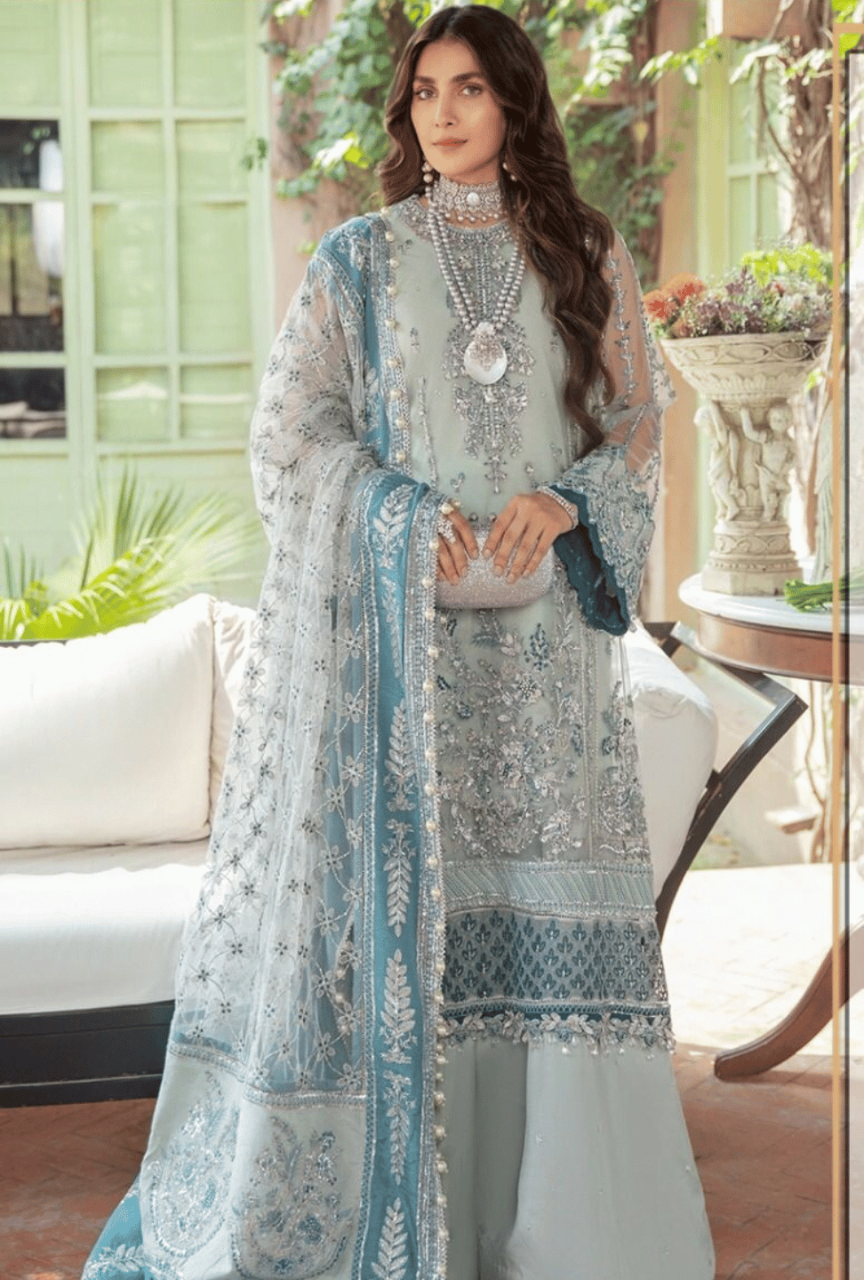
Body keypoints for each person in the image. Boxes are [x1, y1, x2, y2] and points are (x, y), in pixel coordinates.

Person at [82, 7, 714, 1278]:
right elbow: (290, 437)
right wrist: (388, 511)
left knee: (545, 935)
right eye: (425, 89)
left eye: (471, 86)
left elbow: (640, 421)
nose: (443, 110)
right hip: (403, 672)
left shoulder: (585, 252)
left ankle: (572, 1238)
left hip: (545, 678)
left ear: (515, 104)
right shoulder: (358, 263)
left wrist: (571, 500)